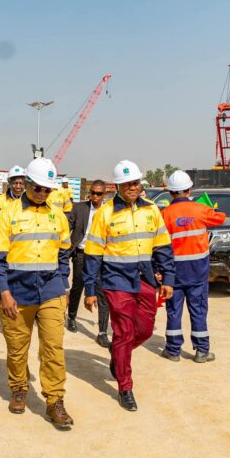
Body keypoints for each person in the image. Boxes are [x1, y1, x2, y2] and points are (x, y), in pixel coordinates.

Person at [0, 157, 74, 429]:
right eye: (38, 187)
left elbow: (64, 254)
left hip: (50, 291)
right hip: (16, 291)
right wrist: (4, 292)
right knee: (17, 349)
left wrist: (64, 285)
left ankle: (54, 400)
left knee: (53, 348)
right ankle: (19, 388)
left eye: (47, 189)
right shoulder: (8, 214)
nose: (42, 193)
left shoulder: (57, 215)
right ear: (26, 184)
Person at [83, 160, 175, 411]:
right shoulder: (106, 213)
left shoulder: (152, 210)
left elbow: (163, 247)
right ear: (118, 186)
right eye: (127, 184)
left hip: (144, 279)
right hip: (116, 281)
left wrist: (168, 278)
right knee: (123, 331)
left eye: (135, 182)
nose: (132, 187)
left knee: (144, 330)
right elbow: (92, 253)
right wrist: (90, 289)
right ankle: (125, 386)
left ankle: (119, 353)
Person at [159, 170, 226, 363]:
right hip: (197, 271)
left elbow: (159, 246)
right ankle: (202, 351)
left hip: (173, 272)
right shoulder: (201, 210)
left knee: (174, 310)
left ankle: (173, 350)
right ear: (189, 190)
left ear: (170, 192)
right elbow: (220, 218)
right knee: (198, 309)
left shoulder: (165, 214)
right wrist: (208, 206)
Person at [66, 179, 111, 347]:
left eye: (99, 193)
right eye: (92, 192)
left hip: (102, 257)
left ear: (104, 194)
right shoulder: (79, 209)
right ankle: (71, 317)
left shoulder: (110, 211)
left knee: (102, 292)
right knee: (78, 286)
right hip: (82, 254)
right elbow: (67, 229)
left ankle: (102, 332)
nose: (95, 196)